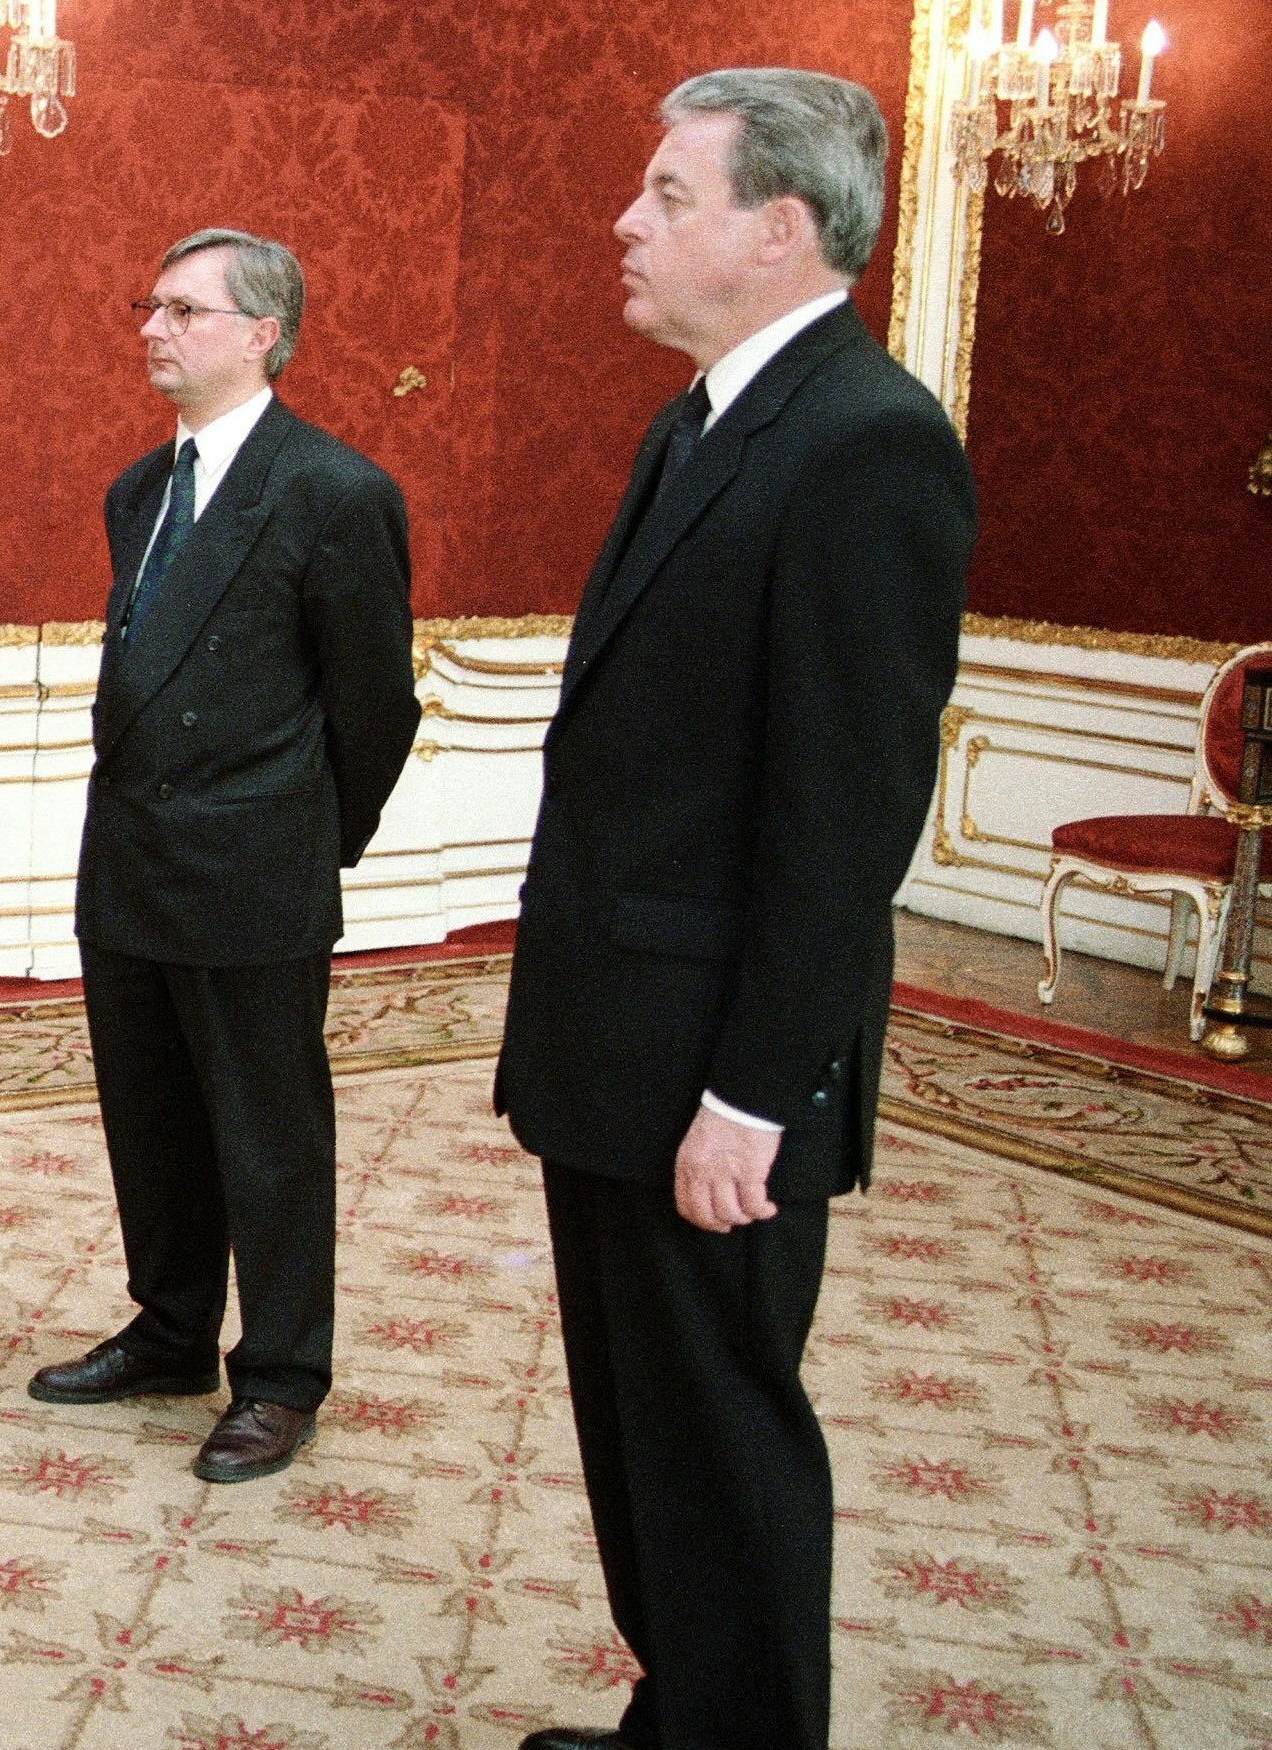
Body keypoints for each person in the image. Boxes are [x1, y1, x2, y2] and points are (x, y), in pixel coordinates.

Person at [496, 70, 974, 1750]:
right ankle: (681, 1713)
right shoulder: (702, 414)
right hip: (615, 1041)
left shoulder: (869, 443)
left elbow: (844, 822)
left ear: (778, 229)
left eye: (665, 195)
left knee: (719, 1430)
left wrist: (755, 1093)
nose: (627, 224)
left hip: (716, 1071)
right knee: (644, 1428)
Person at [25, 229, 418, 1483]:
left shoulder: (334, 492)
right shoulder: (139, 490)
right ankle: (172, 1327)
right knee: (151, 1119)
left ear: (262, 333)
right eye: (151, 304)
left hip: (254, 868)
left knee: (269, 1135)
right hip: (130, 858)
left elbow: (376, 709)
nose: (152, 326)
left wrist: (307, 840)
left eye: (185, 310)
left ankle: (285, 1371)